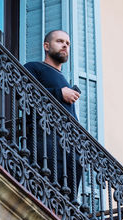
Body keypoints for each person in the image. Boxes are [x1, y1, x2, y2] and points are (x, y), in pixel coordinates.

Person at [24, 30, 82, 201]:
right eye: (60, 41)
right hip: (44, 141)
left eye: (68, 43)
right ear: (46, 46)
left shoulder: (65, 80)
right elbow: (24, 93)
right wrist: (59, 93)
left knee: (64, 199)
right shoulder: (34, 67)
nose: (65, 45)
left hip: (68, 151)